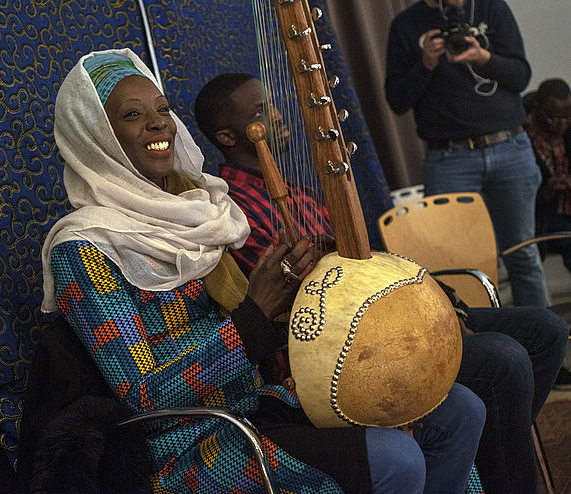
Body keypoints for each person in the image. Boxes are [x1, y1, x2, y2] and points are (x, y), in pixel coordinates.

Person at [39, 49, 486, 494]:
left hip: (261, 404)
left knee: (457, 411)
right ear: (96, 136)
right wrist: (255, 314)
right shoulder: (85, 248)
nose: (158, 123)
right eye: (132, 114)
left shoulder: (200, 211)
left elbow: (250, 324)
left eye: (162, 109)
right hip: (187, 441)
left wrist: (293, 297)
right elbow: (145, 394)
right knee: (395, 458)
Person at [194, 72, 568, 494]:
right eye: (261, 111)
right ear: (226, 136)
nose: (279, 116)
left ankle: (492, 443)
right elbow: (314, 295)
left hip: (387, 315)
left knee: (545, 329)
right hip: (352, 344)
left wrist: (440, 303)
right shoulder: (235, 210)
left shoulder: (298, 191)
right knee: (505, 359)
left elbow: (357, 266)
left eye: (273, 105)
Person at [385, 0, 549, 308]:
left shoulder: (492, 8)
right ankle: (485, 350)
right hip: (449, 159)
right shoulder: (406, 25)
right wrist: (426, 64)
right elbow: (396, 100)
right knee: (457, 265)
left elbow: (522, 76)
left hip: (509, 147)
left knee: (523, 254)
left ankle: (544, 348)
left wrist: (485, 57)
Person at [524, 78, 571, 390]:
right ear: (539, 109)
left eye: (567, 116)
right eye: (555, 117)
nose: (562, 123)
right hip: (543, 216)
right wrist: (548, 189)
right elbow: (523, 197)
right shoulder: (524, 137)